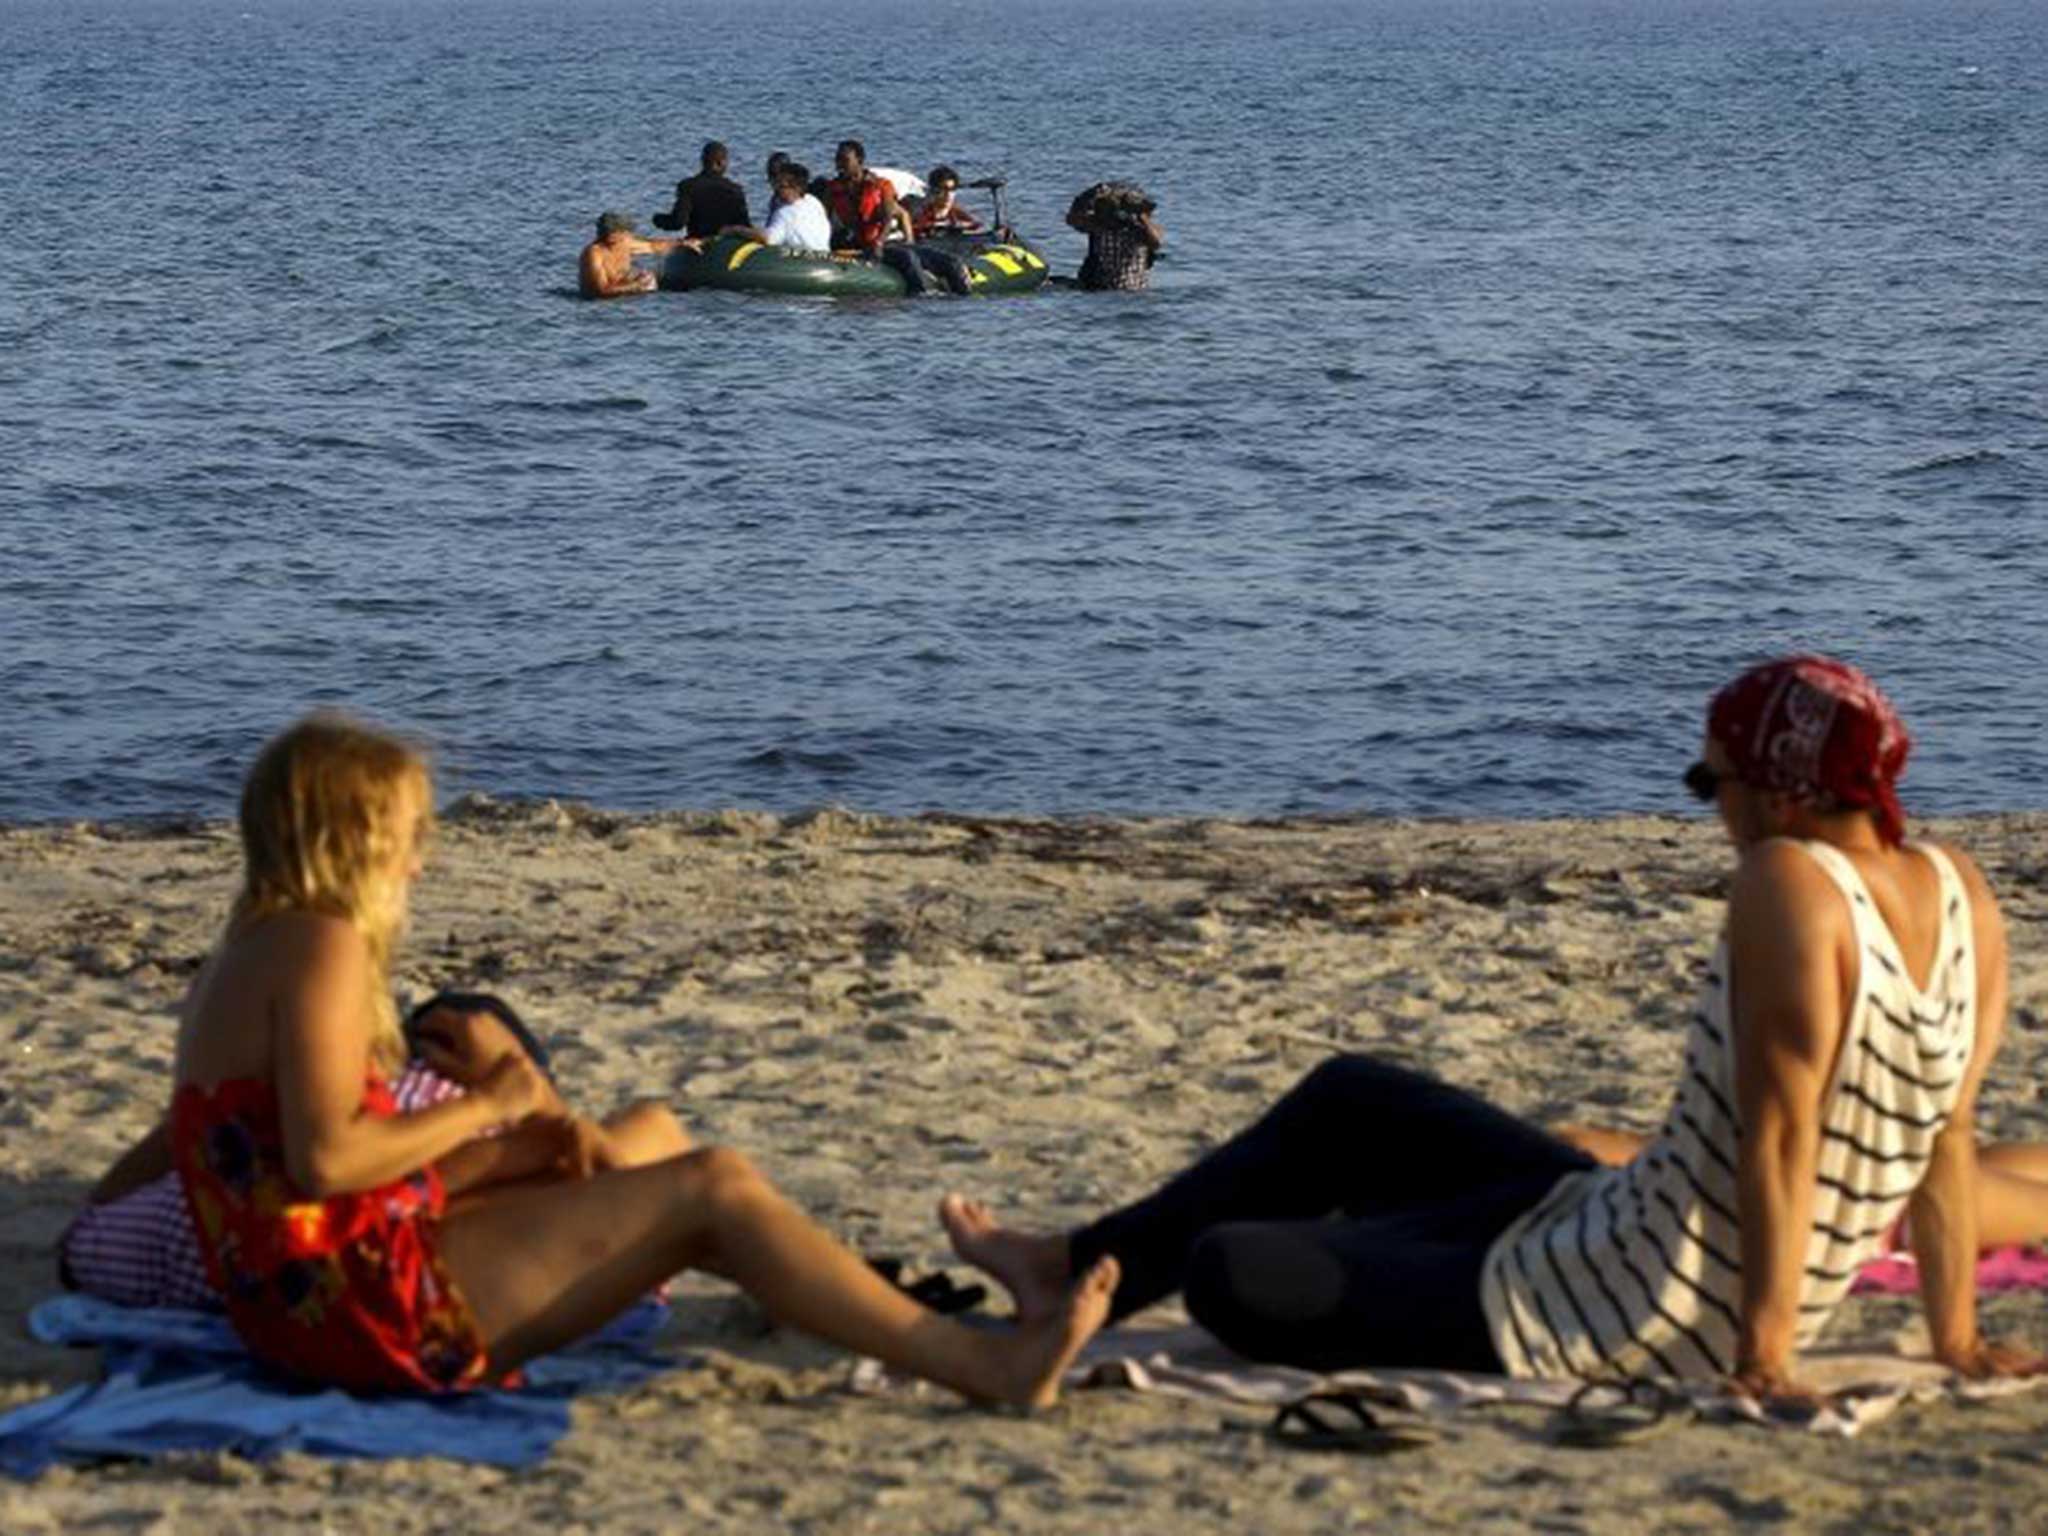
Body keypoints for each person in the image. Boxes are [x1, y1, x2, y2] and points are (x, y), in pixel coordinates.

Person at [939, 657, 2047, 1406]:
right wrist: (1949, 1341)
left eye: (1712, 780)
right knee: (1351, 1097)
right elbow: (1943, 1143)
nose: (1709, 806)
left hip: (1633, 1301)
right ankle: (1060, 1268)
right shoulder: (1957, 891)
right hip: (1626, 1214)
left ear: (1780, 792)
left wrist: (1759, 1353)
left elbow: (1777, 1136)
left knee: (1234, 1269)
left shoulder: (1785, 880)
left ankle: (1093, 1275)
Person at [168, 713, 1115, 1401]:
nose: (421, 864)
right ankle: (989, 1367)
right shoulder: (322, 943)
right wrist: (486, 1104)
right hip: (356, 1312)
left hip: (293, 1307)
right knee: (712, 1186)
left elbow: (291, 1179)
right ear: (360, 833)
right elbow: (326, 1161)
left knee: (612, 1157)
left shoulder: (244, 954)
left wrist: (500, 1152)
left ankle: (836, 1304)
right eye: (412, 835)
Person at [62, 992, 688, 1310]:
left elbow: (94, 1225)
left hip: (335, 1244)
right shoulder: (505, 1129)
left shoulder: (298, 1125)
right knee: (655, 1133)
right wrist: (525, 1093)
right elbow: (597, 1169)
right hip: (423, 1255)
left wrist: (228, 1094)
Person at [821, 139, 966, 296]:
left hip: (884, 242)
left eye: (844, 160)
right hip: (859, 245)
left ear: (860, 161)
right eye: (837, 159)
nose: (839, 164)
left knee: (951, 262)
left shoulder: (881, 185)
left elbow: (888, 217)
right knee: (907, 257)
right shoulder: (833, 189)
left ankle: (963, 305)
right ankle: (922, 297)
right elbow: (823, 219)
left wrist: (880, 242)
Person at [1065, 181, 1163, 292]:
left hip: (1131, 289)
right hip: (1099, 288)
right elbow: (1072, 218)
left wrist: (1141, 216)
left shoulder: (1139, 230)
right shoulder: (1098, 226)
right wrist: (1091, 194)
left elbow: (1156, 243)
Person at [722, 162, 831, 253]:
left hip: (802, 263)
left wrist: (736, 230)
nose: (776, 189)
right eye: (776, 184)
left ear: (796, 188)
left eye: (781, 186)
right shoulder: (813, 201)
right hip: (823, 255)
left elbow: (768, 239)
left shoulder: (785, 213)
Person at [652, 141, 751, 240]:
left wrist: (657, 219)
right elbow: (745, 227)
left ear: (702, 161)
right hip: (726, 246)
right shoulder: (736, 191)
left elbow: (678, 223)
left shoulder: (688, 186)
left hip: (699, 246)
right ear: (721, 163)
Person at [578, 212, 683, 299]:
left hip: (623, 298)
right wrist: (636, 285)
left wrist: (683, 243)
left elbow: (653, 246)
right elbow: (602, 290)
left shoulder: (625, 243)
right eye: (624, 232)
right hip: (598, 303)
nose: (629, 234)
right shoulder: (594, 254)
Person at [913, 165, 983, 236]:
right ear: (934, 191)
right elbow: (915, 228)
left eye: (952, 190)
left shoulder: (957, 212)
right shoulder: (924, 213)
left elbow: (976, 226)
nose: (948, 194)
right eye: (944, 190)